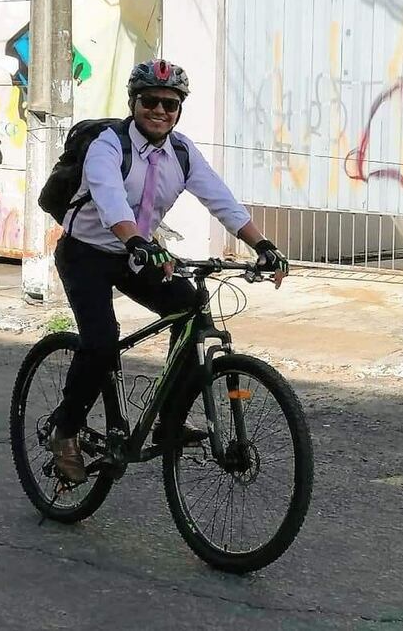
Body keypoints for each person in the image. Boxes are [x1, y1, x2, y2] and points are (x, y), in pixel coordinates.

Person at [49, 59, 289, 484]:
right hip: (87, 252)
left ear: (179, 109)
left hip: (136, 252)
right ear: (133, 103)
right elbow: (109, 201)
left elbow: (221, 199)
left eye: (170, 104)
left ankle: (170, 419)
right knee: (102, 342)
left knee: (191, 304)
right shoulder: (108, 145)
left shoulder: (181, 151)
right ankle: (65, 431)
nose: (160, 110)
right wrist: (136, 241)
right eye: (150, 101)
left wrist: (263, 245)